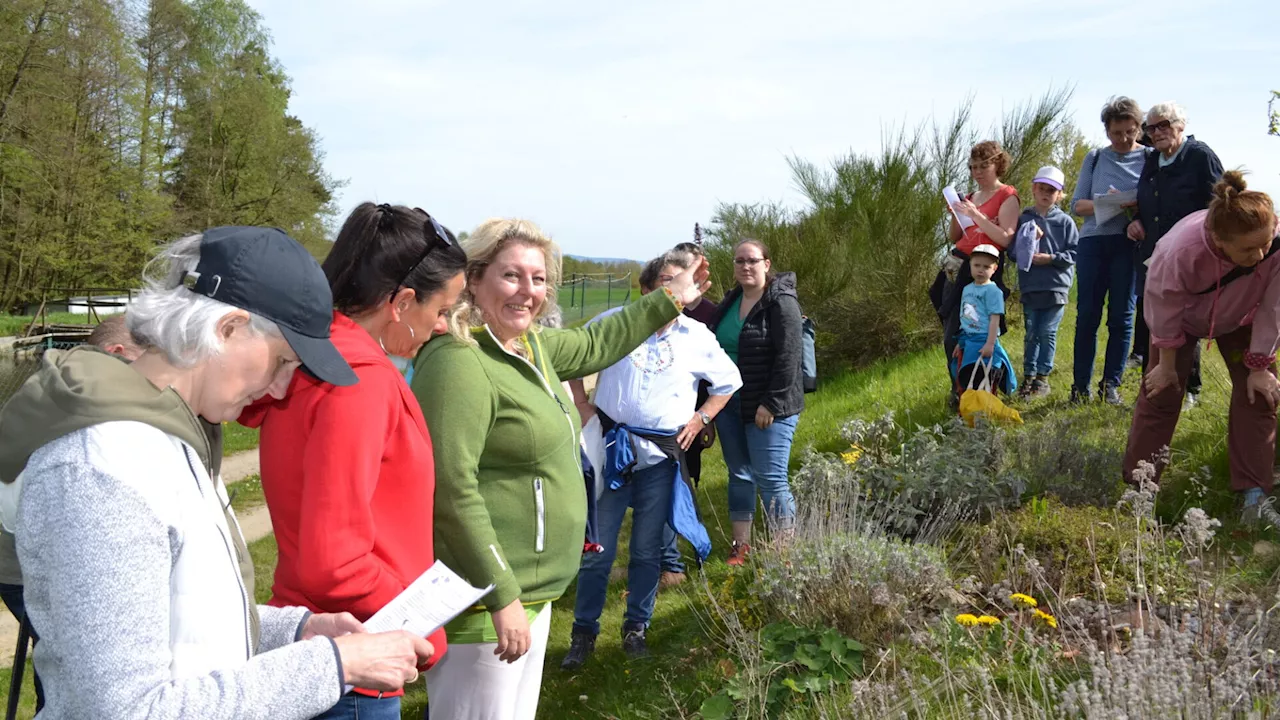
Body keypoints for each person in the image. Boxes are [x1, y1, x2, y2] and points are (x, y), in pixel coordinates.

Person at [0, 227, 434, 718]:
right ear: (228, 328)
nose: (280, 387)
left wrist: (296, 631)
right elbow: (125, 708)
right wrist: (332, 665)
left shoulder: (167, 435)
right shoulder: (103, 465)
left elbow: (181, 616)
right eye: (283, 361)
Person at [414, 218, 710, 720]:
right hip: (487, 603)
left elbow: (599, 342)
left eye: (539, 278)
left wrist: (668, 300)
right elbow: (452, 490)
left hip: (536, 592)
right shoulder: (458, 362)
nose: (528, 291)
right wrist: (501, 595)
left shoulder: (529, 348)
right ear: (476, 277)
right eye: (512, 276)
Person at [239, 204, 467, 720]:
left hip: (325, 643)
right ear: (403, 302)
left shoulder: (319, 355)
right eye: (442, 310)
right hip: (354, 655)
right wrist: (420, 621)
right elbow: (335, 561)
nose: (442, 327)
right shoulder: (358, 381)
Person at [561, 253, 741, 670]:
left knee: (646, 550)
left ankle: (636, 628)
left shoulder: (696, 335)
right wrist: (583, 403)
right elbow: (575, 357)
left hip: (661, 458)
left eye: (679, 283)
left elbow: (728, 383)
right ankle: (583, 633)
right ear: (645, 290)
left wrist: (701, 418)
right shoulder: (617, 322)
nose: (671, 290)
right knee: (597, 548)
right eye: (663, 281)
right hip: (612, 452)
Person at [0, 315, 147, 714]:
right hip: (21, 559)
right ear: (117, 354)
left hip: (30, 549)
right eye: (148, 358)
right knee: (70, 662)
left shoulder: (55, 381)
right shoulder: (86, 398)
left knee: (62, 657)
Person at [1122, 172, 1280, 525]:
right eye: (1247, 249)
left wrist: (1260, 366)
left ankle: (1255, 498)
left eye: (1265, 244)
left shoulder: (1275, 245)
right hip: (1181, 320)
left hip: (1244, 316)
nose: (1259, 255)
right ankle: (1140, 492)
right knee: (1161, 393)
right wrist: (1164, 362)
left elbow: (1274, 306)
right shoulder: (1182, 249)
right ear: (1220, 240)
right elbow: (1163, 302)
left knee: (1261, 394)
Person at [711, 239, 805, 566]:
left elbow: (790, 357)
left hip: (769, 408)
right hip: (728, 404)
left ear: (767, 264)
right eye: (739, 261)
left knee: (771, 477)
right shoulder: (731, 300)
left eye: (752, 260)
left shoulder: (781, 303)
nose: (745, 266)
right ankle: (741, 545)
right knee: (739, 474)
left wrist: (772, 403)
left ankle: (784, 548)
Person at [1128, 102, 1225, 408]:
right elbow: (1143, 200)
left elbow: (1220, 204)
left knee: (1185, 320)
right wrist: (1135, 220)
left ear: (1181, 126)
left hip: (1192, 255)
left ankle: (1190, 388)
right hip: (1155, 254)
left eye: (1163, 125)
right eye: (1151, 127)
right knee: (1157, 318)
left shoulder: (1199, 156)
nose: (1156, 132)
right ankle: (1155, 386)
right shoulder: (1154, 160)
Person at [1069, 96, 1148, 405]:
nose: (1124, 138)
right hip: (1092, 242)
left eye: (1130, 131)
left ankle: (1111, 384)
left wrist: (1135, 207)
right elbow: (1078, 205)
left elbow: (1156, 202)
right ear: (1107, 130)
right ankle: (1079, 387)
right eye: (1117, 133)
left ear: (1139, 128)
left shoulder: (1151, 159)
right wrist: (1112, 202)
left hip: (1128, 245)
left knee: (1122, 316)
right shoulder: (1095, 158)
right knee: (1087, 315)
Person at [935, 141, 1020, 406]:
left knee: (978, 329)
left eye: (984, 166)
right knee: (952, 330)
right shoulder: (971, 197)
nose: (978, 172)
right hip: (957, 264)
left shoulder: (1007, 195)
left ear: (998, 165)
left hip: (983, 268)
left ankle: (983, 387)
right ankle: (959, 387)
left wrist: (978, 216)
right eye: (973, 167)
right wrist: (955, 214)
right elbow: (955, 236)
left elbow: (1005, 238)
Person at [1011, 166, 1078, 398]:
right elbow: (1013, 253)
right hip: (1031, 286)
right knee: (1031, 332)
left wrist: (1051, 259)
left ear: (1060, 194)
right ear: (1033, 189)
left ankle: (1043, 378)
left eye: (1052, 190)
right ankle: (1028, 377)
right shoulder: (1024, 219)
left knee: (1047, 332)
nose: (1046, 193)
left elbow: (1074, 254)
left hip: (1056, 286)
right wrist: (1027, 246)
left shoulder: (1066, 222)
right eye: (1042, 188)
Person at [950, 245, 1016, 396]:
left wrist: (990, 344)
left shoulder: (993, 291)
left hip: (983, 339)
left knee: (984, 374)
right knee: (967, 375)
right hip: (967, 339)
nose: (981, 270)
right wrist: (960, 343)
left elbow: (994, 319)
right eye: (977, 265)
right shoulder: (967, 289)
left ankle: (986, 408)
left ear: (994, 268)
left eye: (986, 266)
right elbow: (964, 316)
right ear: (970, 266)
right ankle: (969, 408)